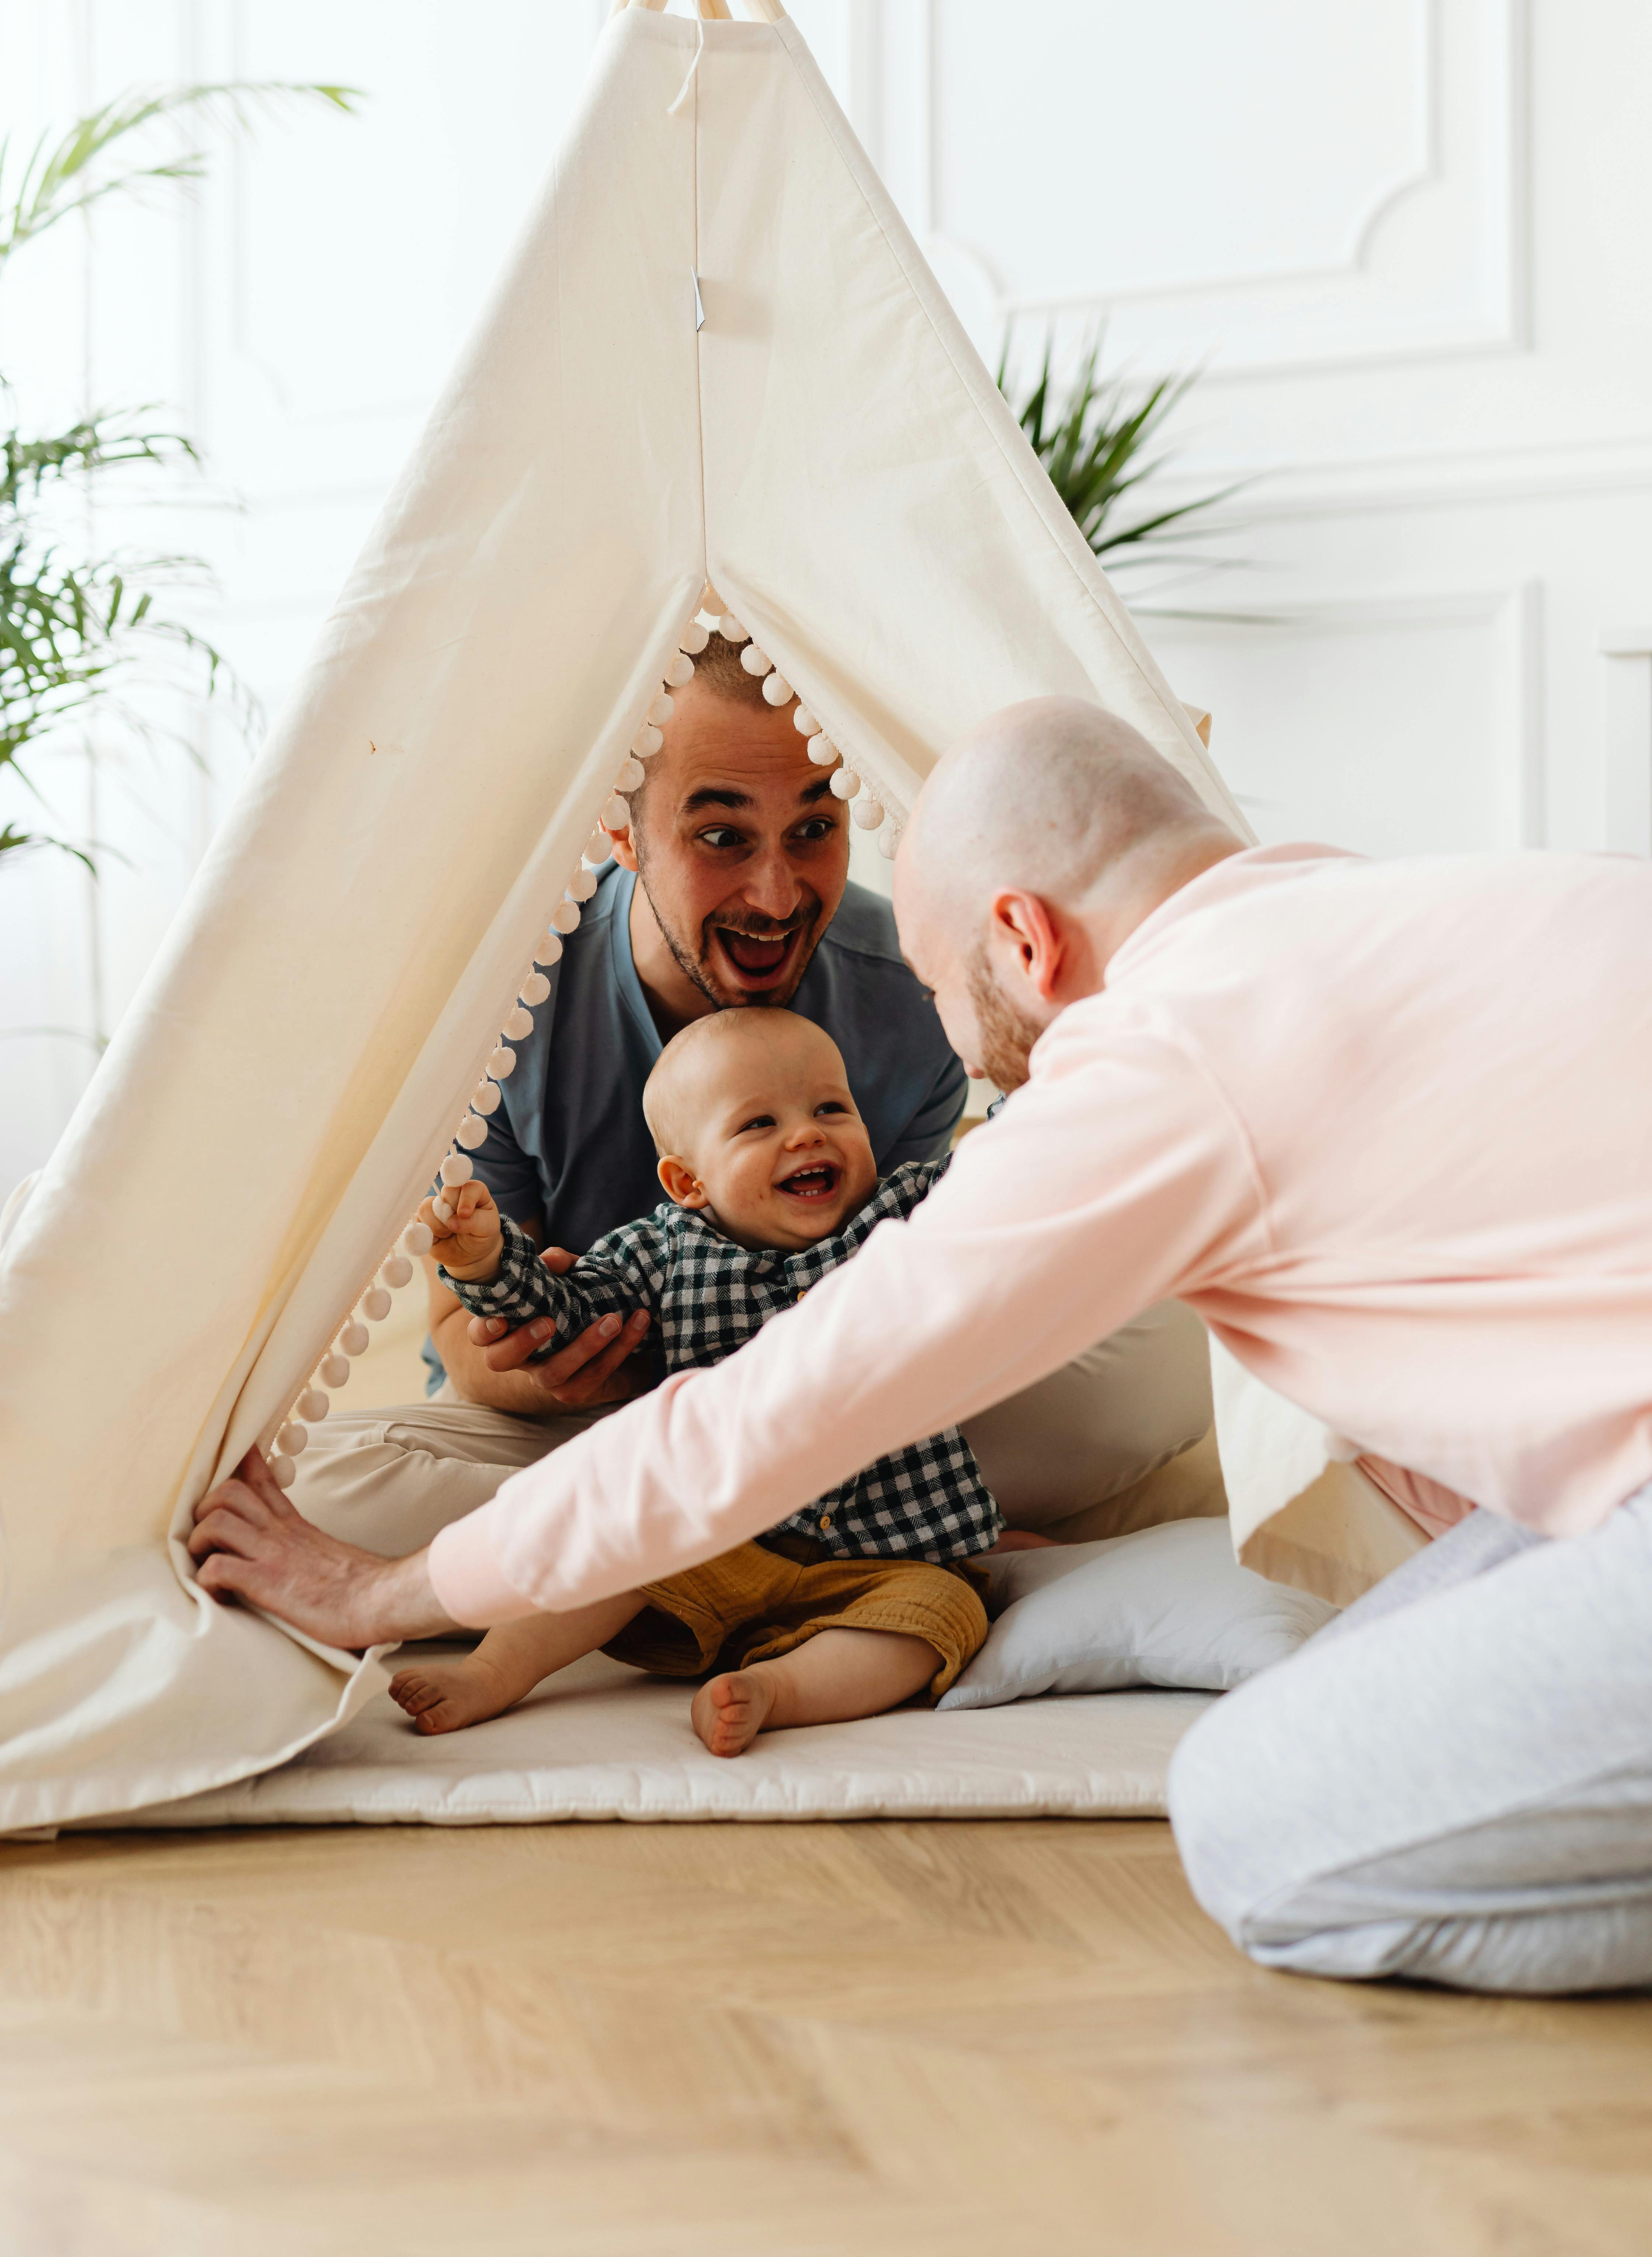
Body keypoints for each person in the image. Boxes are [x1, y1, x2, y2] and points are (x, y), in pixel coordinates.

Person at [195, 691, 1652, 1997]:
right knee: (1387, 1662)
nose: (957, 1052)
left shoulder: (1155, 1056)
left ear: (1028, 937)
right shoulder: (1487, 899)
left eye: (959, 1000)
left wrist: (384, 1590)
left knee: (1251, 1819)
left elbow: (782, 1407)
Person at [286, 631, 1214, 1558]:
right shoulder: (505, 998)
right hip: (584, 1430)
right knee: (324, 1483)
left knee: (1177, 1350)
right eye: (720, 837)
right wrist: (555, 1375)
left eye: (813, 831)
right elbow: (460, 1334)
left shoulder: (909, 995)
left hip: (835, 1420)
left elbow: (924, 1282)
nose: (775, 897)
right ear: (622, 831)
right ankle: (711, 1546)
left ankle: (697, 1554)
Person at [390, 1005, 1002, 1752]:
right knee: (606, 1542)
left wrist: (1036, 1066)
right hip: (713, 1536)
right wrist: (486, 1264)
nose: (806, 1135)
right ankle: (494, 1672)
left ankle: (778, 1691)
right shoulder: (660, 1253)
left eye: (830, 1109)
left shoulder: (903, 1212)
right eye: (757, 1126)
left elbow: (1007, 1170)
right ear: (687, 1182)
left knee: (945, 1614)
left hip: (885, 1554)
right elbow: (566, 1318)